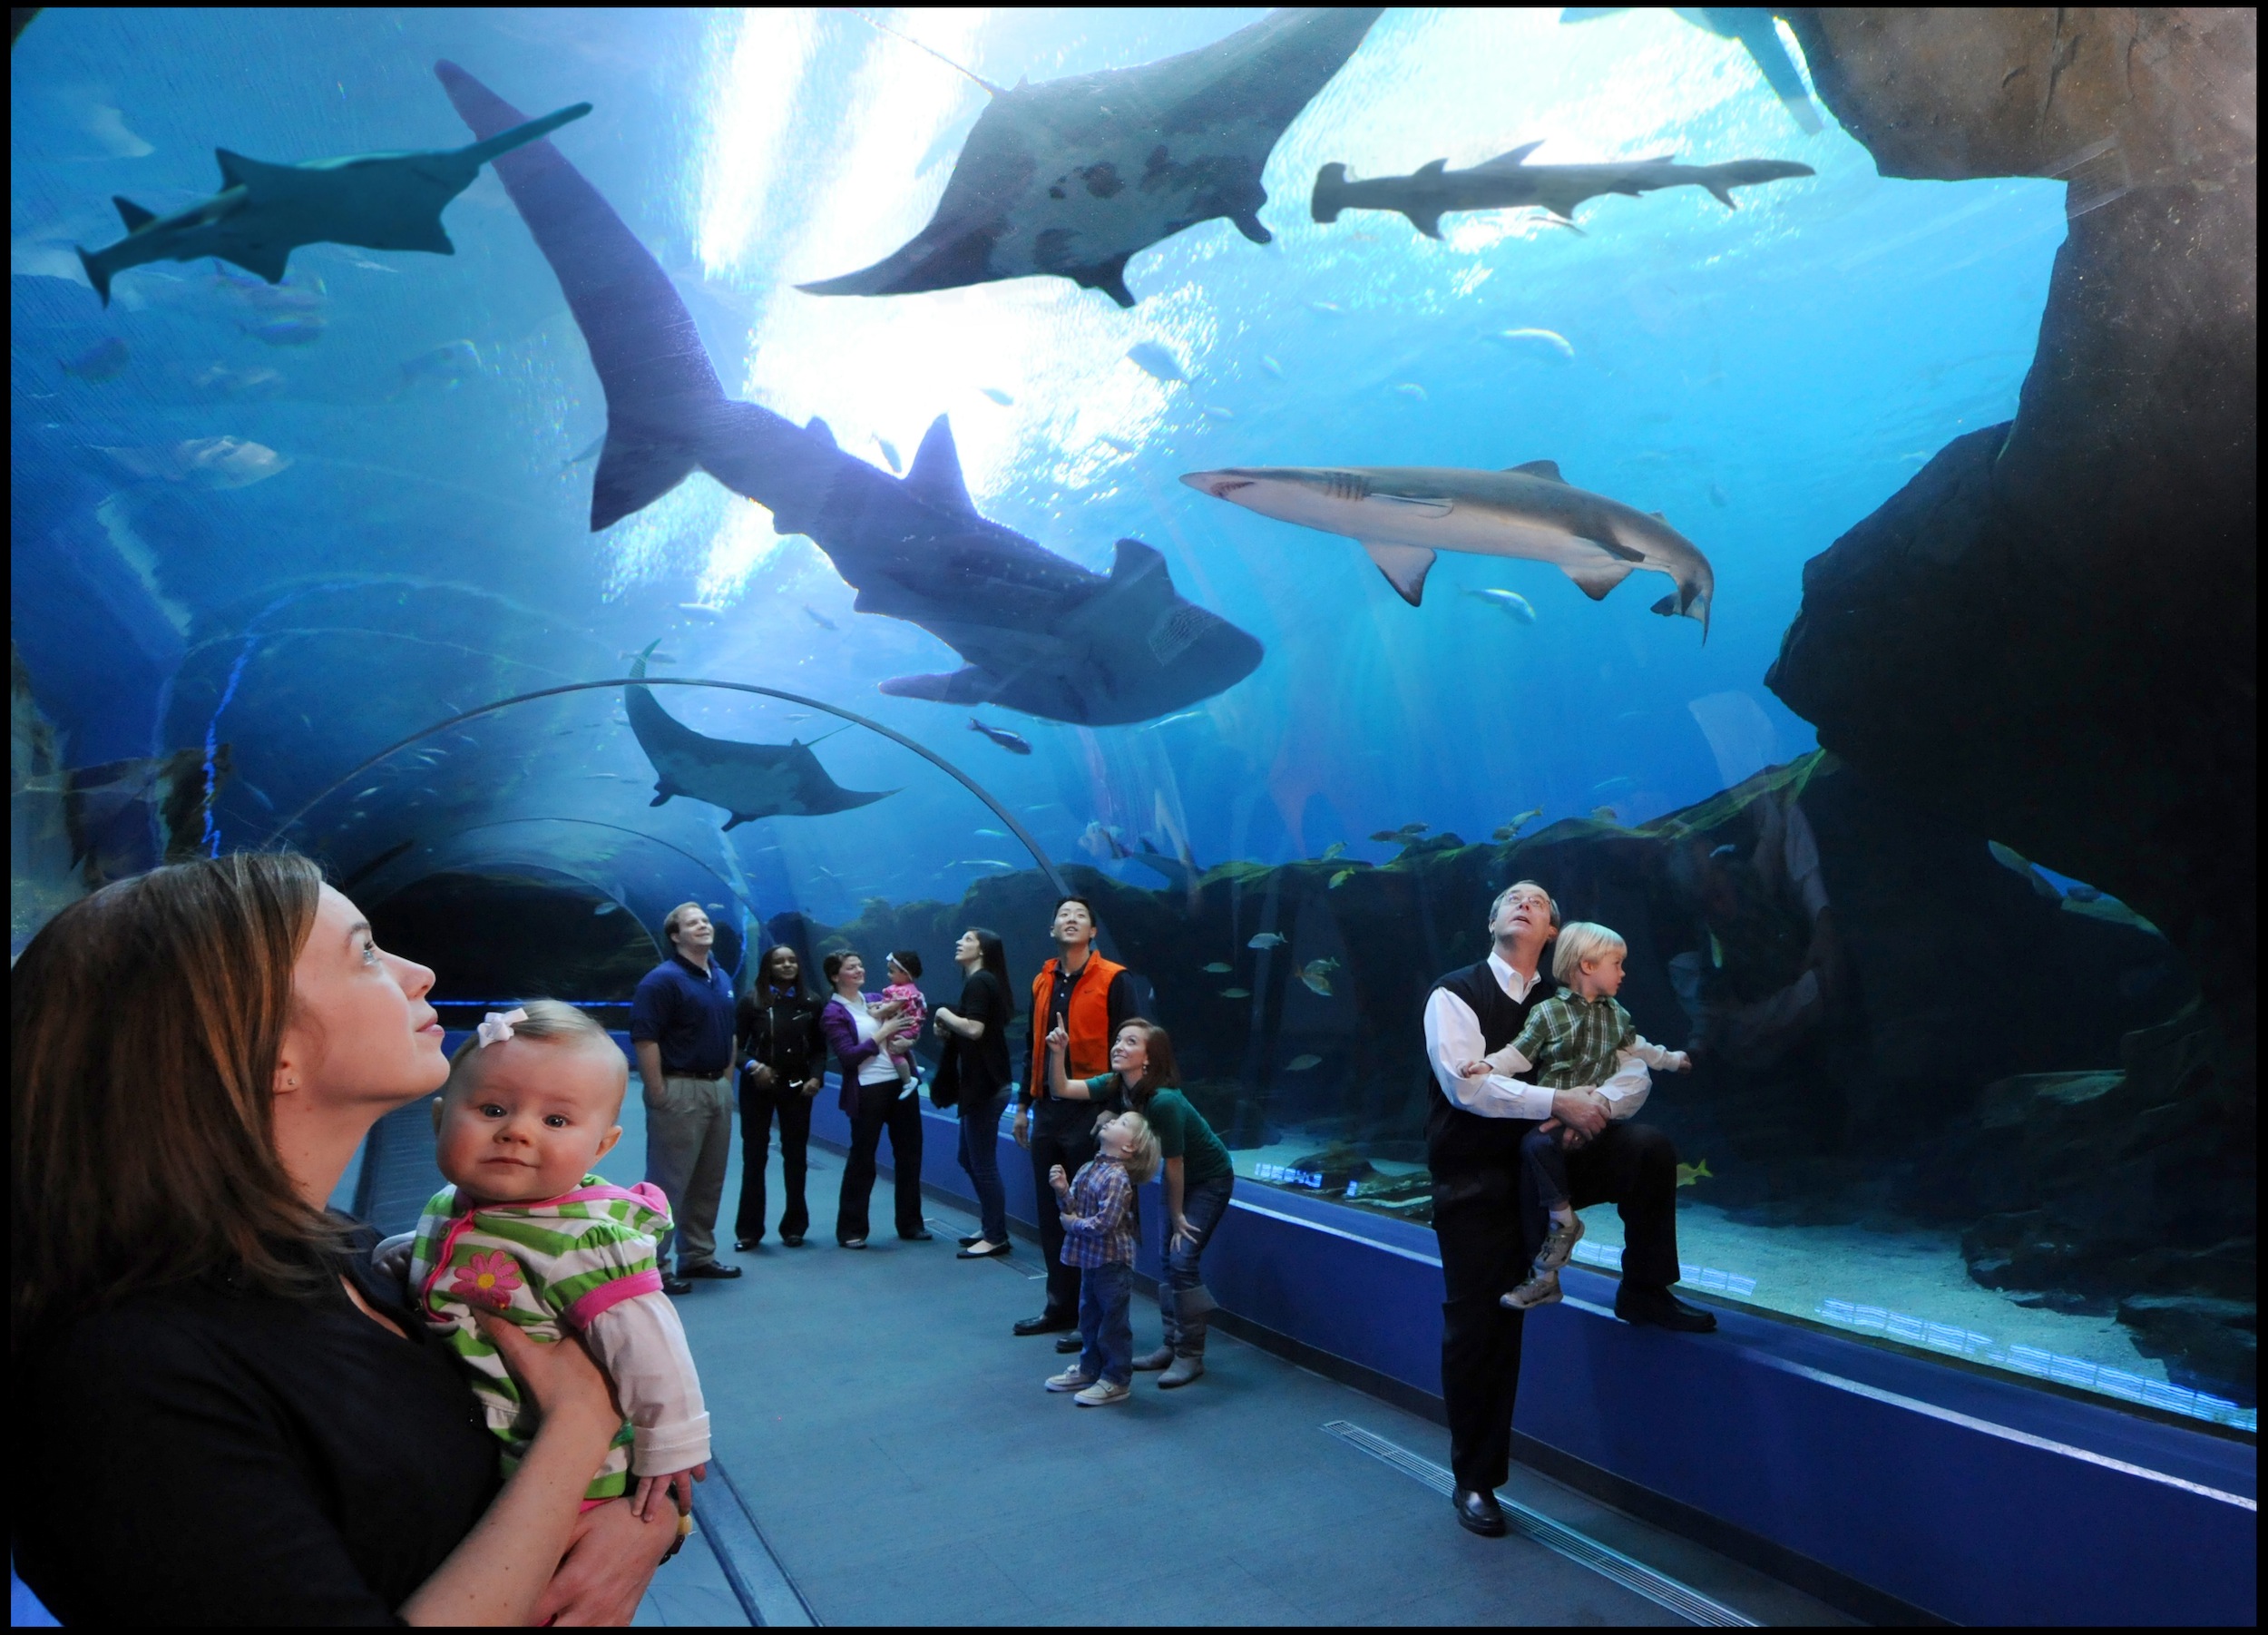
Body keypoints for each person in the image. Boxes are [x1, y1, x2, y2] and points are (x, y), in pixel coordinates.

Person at [12, 854, 679, 1624]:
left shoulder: (349, 1249)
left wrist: (649, 1524)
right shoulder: (127, 1383)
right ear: (271, 1052)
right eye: (365, 952)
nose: (420, 972)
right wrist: (580, 1425)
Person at [1422, 880, 1714, 1540]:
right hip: (1478, 1178)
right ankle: (1475, 1480)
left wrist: (1598, 1108)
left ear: (1555, 932)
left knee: (1647, 1149)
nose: (1525, 901)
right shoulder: (1455, 993)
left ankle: (1644, 1288)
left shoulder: (1579, 1001)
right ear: (1492, 918)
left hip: (1551, 1159)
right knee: (1481, 1327)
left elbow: (1632, 1067)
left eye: (1540, 900)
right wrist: (1558, 1103)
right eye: (1511, 896)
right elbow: (1465, 1083)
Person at [408, 1001, 711, 1521]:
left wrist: (673, 1441)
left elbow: (650, 1342)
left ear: (601, 1148)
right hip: (479, 1444)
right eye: (493, 1110)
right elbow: (437, 1252)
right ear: (439, 1120)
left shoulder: (585, 1241)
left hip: (574, 1478)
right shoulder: (449, 1204)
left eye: (555, 1119)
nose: (517, 1132)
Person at [1471, 923, 1692, 1311]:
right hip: (1552, 1124)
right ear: (1587, 966)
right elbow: (1518, 1053)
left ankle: (1647, 1290)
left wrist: (1673, 1060)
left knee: (1652, 1146)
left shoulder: (1617, 1016)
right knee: (1536, 1145)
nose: (1623, 973)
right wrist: (1488, 1066)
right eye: (1617, 963)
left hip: (1599, 1125)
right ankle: (1554, 1248)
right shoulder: (1548, 1013)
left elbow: (1640, 1050)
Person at [1047, 1019, 1232, 1388]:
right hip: (1179, 1179)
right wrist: (1058, 1053)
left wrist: (1178, 1214)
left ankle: (1190, 1354)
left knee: (1182, 1260)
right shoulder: (1120, 1085)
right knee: (1166, 1260)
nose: (1118, 1046)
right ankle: (1170, 1345)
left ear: (1149, 1059)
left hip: (1208, 1178)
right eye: (1118, 1039)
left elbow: (1176, 1162)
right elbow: (1063, 1087)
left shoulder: (1164, 1100)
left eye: (1130, 1042)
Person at [1013, 896, 1143, 1351]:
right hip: (1048, 1109)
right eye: (1063, 915)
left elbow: (1131, 1047)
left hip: (1094, 1112)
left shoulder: (1114, 979)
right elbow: (1033, 1045)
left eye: (1080, 916)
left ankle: (1092, 1315)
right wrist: (1024, 1106)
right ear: (1053, 929)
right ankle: (1059, 1306)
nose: (1070, 920)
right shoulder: (1041, 981)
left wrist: (1119, 1109)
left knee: (1092, 1215)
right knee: (1054, 1211)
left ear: (1093, 933)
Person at [629, 903, 741, 1296]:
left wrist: (725, 1082)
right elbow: (646, 1037)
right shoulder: (661, 981)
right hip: (679, 1087)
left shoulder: (722, 977)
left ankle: (698, 1254)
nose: (703, 925)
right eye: (693, 922)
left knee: (709, 1179)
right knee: (668, 1182)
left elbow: (730, 1033)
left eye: (706, 920)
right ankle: (653, 1264)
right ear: (676, 936)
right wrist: (657, 1090)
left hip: (717, 1089)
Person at [1041, 1109, 1161, 1407]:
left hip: (1113, 1262)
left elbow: (1104, 1223)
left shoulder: (1118, 1179)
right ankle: (1089, 1369)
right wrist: (1062, 1191)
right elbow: (1075, 1206)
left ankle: (1117, 1379)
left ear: (1129, 1147)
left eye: (1122, 1123)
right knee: (1090, 1317)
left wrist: (1072, 1224)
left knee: (1113, 1323)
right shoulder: (1089, 1168)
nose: (1110, 1120)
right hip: (1092, 1260)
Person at [820, 952, 928, 1248]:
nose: (859, 969)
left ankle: (911, 1223)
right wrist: (884, 1032)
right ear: (835, 976)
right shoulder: (833, 1012)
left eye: (860, 964)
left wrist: (908, 1040)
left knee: (910, 1154)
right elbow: (848, 1057)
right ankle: (851, 1229)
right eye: (850, 967)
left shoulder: (875, 998)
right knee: (862, 1158)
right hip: (868, 1089)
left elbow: (909, 1023)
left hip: (901, 1084)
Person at [931, 927, 1017, 1259]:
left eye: (967, 939)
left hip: (987, 1087)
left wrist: (941, 1014)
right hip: (982, 1085)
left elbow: (975, 1029)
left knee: (982, 1164)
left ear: (982, 950)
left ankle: (996, 1235)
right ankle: (991, 1224)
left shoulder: (981, 982)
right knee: (969, 1158)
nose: (959, 942)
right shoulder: (978, 983)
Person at [735, 945, 826, 1249]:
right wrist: (753, 1066)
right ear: (768, 966)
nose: (787, 965)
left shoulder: (813, 1001)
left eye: (792, 959)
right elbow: (735, 1045)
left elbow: (819, 1048)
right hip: (758, 1086)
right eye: (779, 961)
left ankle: (794, 1227)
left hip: (798, 1085)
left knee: (796, 1157)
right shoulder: (751, 1001)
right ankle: (749, 1231)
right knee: (754, 1157)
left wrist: (816, 1076)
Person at [878, 950, 928, 1087]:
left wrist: (875, 1013)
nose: (888, 975)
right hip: (912, 1026)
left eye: (891, 971)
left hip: (905, 1026)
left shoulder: (903, 991)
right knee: (905, 1048)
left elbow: (890, 1008)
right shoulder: (909, 988)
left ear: (905, 973)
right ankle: (915, 1068)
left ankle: (907, 1081)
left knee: (894, 1050)